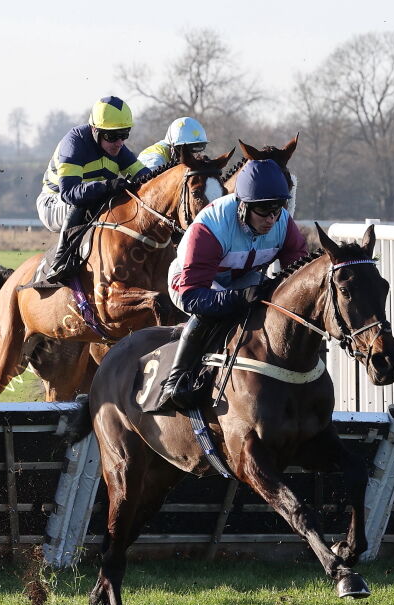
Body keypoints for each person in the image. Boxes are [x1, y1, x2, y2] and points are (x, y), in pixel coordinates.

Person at [155, 159, 309, 411]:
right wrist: (237, 298)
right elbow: (194, 297)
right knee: (210, 315)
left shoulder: (282, 223)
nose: (271, 219)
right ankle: (175, 381)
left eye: (277, 209)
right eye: (263, 210)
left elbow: (299, 277)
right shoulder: (210, 227)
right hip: (190, 285)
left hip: (240, 278)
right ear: (242, 206)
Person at [36, 96, 150, 283]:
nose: (119, 142)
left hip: (87, 201)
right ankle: (61, 260)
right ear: (95, 130)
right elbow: (70, 193)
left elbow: (145, 177)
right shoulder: (74, 143)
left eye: (124, 135)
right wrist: (107, 186)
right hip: (54, 203)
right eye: (112, 136)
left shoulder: (118, 148)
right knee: (88, 200)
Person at [137, 117, 209, 171]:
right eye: (188, 151)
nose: (193, 156)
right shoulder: (154, 160)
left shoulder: (174, 152)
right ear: (174, 146)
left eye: (196, 152)